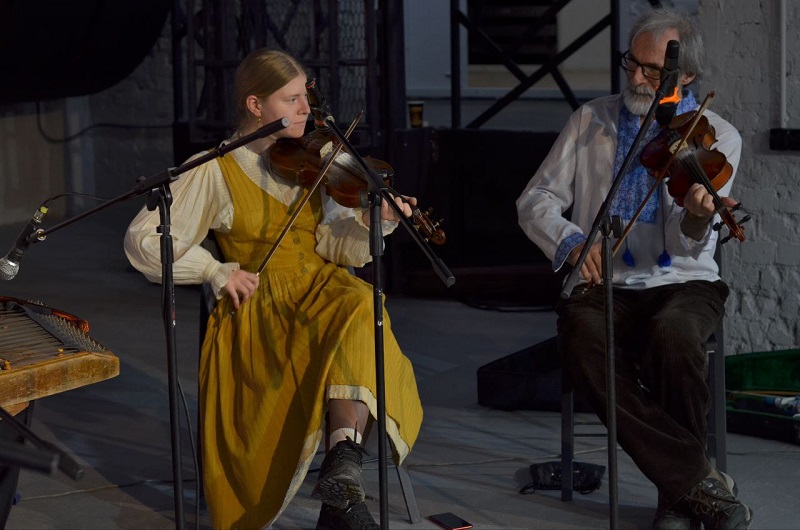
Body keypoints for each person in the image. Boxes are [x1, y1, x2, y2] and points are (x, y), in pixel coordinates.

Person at [124, 48, 423, 530]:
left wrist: (374, 221)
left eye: (306, 96)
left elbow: (334, 246)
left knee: (361, 305)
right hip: (261, 301)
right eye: (292, 99)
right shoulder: (214, 169)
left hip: (321, 286)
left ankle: (342, 468)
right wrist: (214, 271)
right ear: (255, 105)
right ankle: (341, 505)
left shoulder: (315, 160)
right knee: (354, 314)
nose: (307, 109)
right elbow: (143, 240)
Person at [516, 8, 752, 530]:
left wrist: (697, 218)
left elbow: (689, 249)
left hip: (684, 282)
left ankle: (678, 494)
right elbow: (535, 200)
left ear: (686, 76)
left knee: (674, 339)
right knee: (582, 345)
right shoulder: (590, 120)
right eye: (632, 63)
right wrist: (572, 241)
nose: (637, 78)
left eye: (652, 70)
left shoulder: (718, 137)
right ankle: (697, 484)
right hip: (603, 283)